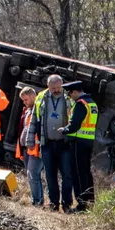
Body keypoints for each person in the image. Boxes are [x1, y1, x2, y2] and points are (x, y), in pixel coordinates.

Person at [30, 74, 74, 212]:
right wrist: (30, 138)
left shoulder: (69, 98)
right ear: (48, 86)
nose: (56, 90)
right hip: (47, 142)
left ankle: (66, 203)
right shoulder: (41, 98)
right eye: (53, 88)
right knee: (50, 174)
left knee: (67, 174)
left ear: (62, 85)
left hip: (65, 144)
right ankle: (54, 203)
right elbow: (33, 119)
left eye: (58, 87)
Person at [62, 80, 98, 210]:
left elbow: (74, 125)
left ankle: (82, 204)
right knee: (86, 172)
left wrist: (64, 130)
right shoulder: (92, 103)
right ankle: (90, 201)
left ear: (75, 92)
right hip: (88, 142)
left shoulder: (80, 104)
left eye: (70, 94)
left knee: (78, 173)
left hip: (78, 142)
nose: (70, 97)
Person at [16, 87, 43, 207]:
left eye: (26, 100)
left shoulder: (39, 110)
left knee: (33, 173)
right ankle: (38, 199)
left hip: (36, 148)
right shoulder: (27, 111)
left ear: (33, 97)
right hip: (28, 148)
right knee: (32, 174)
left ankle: (37, 201)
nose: (24, 102)